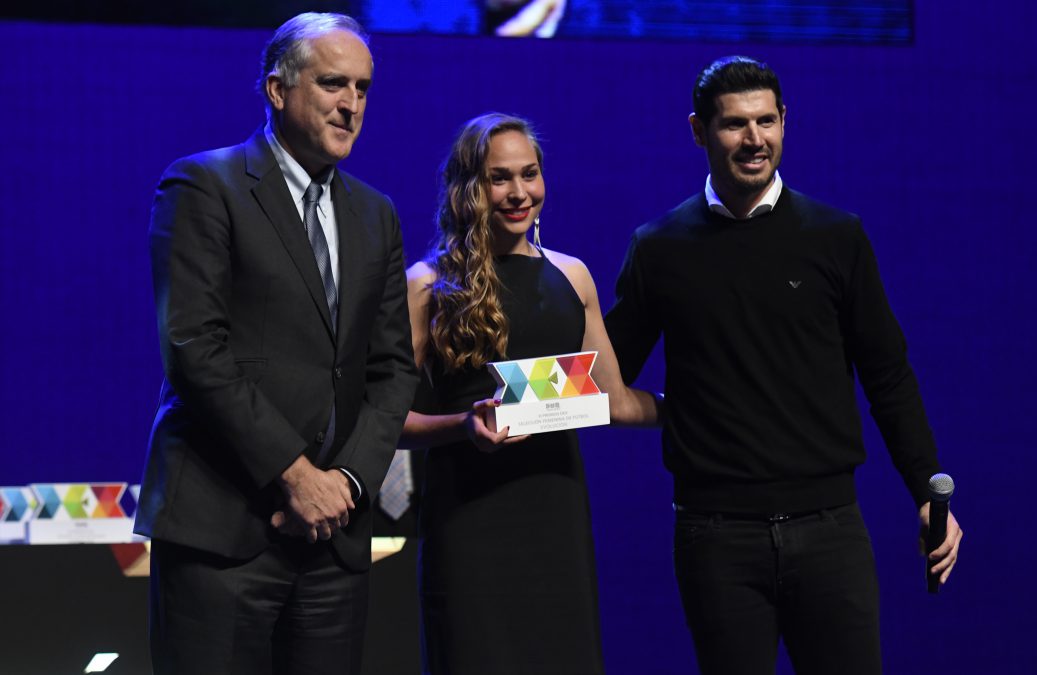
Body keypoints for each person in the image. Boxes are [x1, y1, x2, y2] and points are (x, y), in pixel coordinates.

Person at [604, 56, 964, 674]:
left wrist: (928, 490)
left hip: (830, 531)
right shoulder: (659, 247)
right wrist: (500, 401)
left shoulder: (836, 237)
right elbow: (603, 376)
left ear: (785, 121)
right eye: (734, 124)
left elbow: (888, 374)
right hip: (715, 537)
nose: (754, 139)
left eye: (766, 121)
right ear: (699, 130)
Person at [134, 13, 418, 674]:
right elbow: (193, 348)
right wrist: (295, 475)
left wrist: (344, 483)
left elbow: (393, 369)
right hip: (221, 532)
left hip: (332, 546)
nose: (352, 105)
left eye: (364, 88)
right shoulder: (204, 186)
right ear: (277, 89)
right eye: (333, 84)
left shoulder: (376, 213)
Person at [399, 113, 659, 674]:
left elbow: (614, 402)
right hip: (469, 526)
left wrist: (699, 405)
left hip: (556, 519)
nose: (519, 193)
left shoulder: (574, 276)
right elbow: (384, 420)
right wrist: (462, 427)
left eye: (530, 173)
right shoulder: (427, 284)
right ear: (469, 188)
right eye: (500, 178)